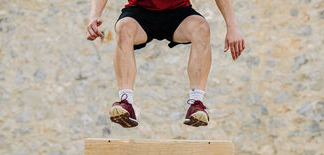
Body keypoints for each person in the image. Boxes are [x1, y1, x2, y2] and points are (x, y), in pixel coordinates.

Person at [86, 0, 245, 128]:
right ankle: (126, 102)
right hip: (139, 13)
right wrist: (94, 16)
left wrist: (233, 27)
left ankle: (196, 103)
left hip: (178, 13)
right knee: (124, 27)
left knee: (201, 27)